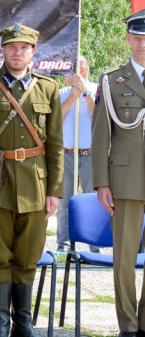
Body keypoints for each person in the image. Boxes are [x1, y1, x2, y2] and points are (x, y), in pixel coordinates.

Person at [0, 22, 62, 337]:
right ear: (3, 51)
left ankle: (24, 325)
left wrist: (54, 190)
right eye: (11, 47)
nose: (17, 53)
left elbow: (55, 145)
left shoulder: (48, 88)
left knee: (27, 256)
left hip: (35, 184)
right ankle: (0, 325)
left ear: (33, 52)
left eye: (23, 48)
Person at [92, 8, 145, 337]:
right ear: (127, 39)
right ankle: (128, 324)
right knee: (124, 257)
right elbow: (100, 137)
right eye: (137, 38)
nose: (142, 44)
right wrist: (102, 183)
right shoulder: (112, 80)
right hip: (125, 179)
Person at [57, 56, 99, 253]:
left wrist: (85, 93)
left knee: (94, 201)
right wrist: (72, 98)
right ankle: (63, 245)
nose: (65, 75)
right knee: (64, 202)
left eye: (70, 70)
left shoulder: (97, 89)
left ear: (81, 71)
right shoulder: (61, 93)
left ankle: (95, 246)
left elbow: (98, 117)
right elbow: (55, 121)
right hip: (66, 154)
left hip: (90, 155)